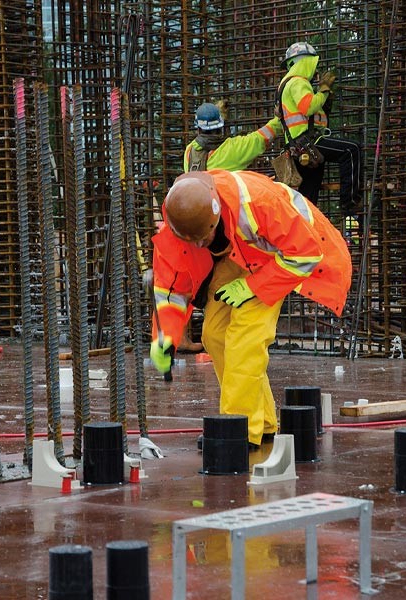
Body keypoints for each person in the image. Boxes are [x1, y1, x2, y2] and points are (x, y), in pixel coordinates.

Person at [148, 170, 352, 447]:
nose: (197, 246)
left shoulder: (258, 202)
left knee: (245, 340)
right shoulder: (178, 226)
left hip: (278, 259)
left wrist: (253, 287)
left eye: (203, 240)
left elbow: (305, 254)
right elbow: (170, 291)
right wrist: (164, 337)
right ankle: (263, 422)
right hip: (237, 256)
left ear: (216, 215)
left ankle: (238, 429)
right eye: (193, 242)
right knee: (214, 335)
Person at [178, 102, 283, 352]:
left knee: (198, 286)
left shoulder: (189, 153)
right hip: (230, 238)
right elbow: (262, 138)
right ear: (221, 128)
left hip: (200, 233)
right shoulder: (232, 151)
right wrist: (282, 118)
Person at [277, 41, 364, 217]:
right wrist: (323, 91)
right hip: (308, 142)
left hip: (297, 147)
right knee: (351, 150)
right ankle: (350, 202)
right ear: (306, 62)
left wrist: (323, 98)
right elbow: (308, 107)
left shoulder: (284, 85)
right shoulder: (297, 82)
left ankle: (306, 229)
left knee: (308, 199)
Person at [183, 102, 281, 172]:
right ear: (221, 127)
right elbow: (260, 138)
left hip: (199, 200)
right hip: (226, 201)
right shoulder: (232, 149)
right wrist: (280, 119)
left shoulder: (189, 151)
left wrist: (216, 112)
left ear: (198, 129)